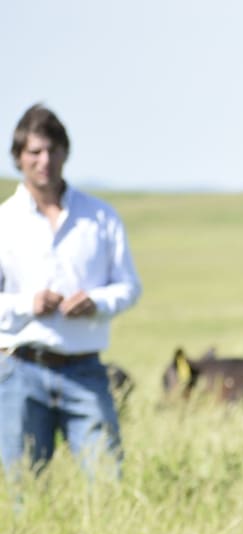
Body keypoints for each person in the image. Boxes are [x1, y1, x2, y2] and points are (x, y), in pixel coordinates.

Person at [0, 104, 142, 477]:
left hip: (84, 368)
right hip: (19, 368)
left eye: (53, 150)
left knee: (107, 479)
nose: (44, 161)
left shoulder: (100, 217)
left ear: (65, 153)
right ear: (18, 157)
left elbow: (129, 286)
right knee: (22, 488)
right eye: (34, 152)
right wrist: (27, 304)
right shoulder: (4, 222)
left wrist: (96, 302)